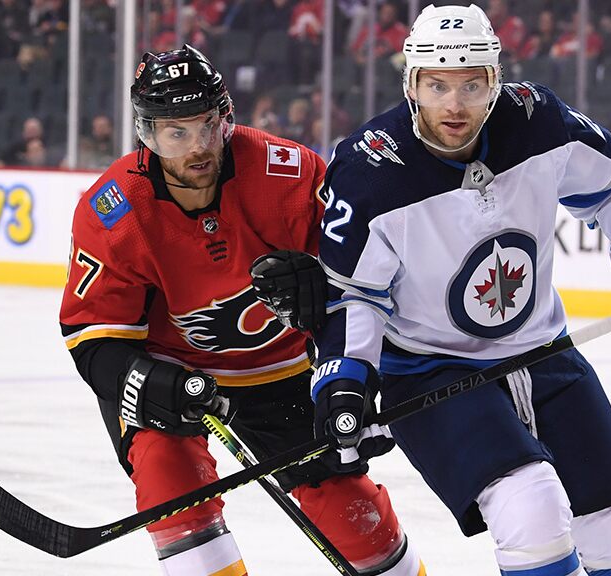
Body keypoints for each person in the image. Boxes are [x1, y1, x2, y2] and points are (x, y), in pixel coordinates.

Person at [253, 5, 611, 576]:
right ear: (411, 83)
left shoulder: (537, 121)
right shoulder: (370, 173)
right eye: (437, 85)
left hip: (544, 351)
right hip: (429, 372)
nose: (454, 105)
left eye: (471, 84)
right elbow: (352, 296)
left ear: (496, 79)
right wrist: (345, 383)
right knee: (529, 506)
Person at [59, 44, 424, 576]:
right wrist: (146, 379)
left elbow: (368, 285)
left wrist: (331, 311)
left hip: (285, 371)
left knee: (353, 515)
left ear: (226, 115)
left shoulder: (290, 175)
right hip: (173, 376)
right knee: (169, 482)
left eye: (207, 125)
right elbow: (91, 335)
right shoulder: (114, 211)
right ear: (146, 134)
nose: (197, 147)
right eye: (174, 133)